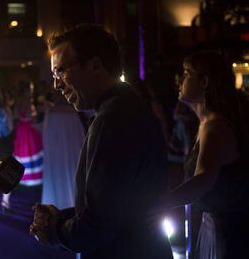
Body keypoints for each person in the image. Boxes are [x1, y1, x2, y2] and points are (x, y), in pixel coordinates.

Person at [30, 24, 173, 259]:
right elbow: (118, 206)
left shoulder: (112, 119)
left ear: (95, 66)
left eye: (61, 72)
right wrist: (62, 218)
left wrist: (54, 231)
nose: (56, 84)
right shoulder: (127, 106)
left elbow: (101, 224)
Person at [158, 51, 249, 258]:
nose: (180, 79)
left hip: (229, 235)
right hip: (217, 227)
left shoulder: (215, 127)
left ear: (204, 81)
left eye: (187, 73)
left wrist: (161, 203)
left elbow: (203, 180)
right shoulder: (207, 124)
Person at [13, 81, 43, 187]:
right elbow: (32, 116)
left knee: (26, 151)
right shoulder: (28, 102)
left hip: (22, 130)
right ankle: (30, 176)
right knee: (29, 150)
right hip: (29, 130)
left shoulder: (18, 102)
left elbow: (16, 117)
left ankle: (25, 176)